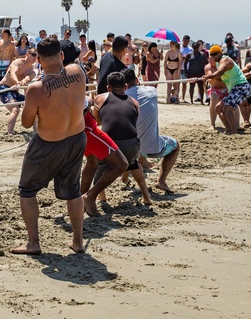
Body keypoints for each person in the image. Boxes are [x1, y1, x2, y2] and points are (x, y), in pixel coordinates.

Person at [11, 38, 88, 255]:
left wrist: (30, 98)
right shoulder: (78, 72)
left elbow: (26, 123)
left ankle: (33, 243)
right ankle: (78, 241)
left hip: (48, 144)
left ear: (39, 61)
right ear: (62, 56)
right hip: (76, 138)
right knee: (73, 190)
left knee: (27, 190)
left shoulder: (36, 89)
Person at [93, 72, 150, 206]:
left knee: (98, 165)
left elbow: (98, 121)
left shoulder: (100, 99)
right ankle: (146, 196)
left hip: (111, 146)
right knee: (133, 164)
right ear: (125, 86)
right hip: (132, 144)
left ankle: (101, 196)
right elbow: (130, 122)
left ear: (108, 88)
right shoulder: (135, 103)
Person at [123, 68, 181, 194]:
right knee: (175, 145)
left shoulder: (120, 99)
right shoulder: (152, 91)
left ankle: (125, 177)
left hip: (128, 149)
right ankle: (161, 181)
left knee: (133, 141)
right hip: (153, 147)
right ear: (137, 80)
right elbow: (148, 90)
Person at [204, 45, 251, 135]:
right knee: (218, 108)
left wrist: (209, 76)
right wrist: (208, 78)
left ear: (220, 53)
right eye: (211, 55)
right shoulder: (218, 63)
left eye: (214, 54)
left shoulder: (225, 60)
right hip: (234, 88)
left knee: (227, 109)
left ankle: (233, 130)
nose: (213, 56)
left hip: (241, 86)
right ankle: (228, 128)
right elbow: (220, 78)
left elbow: (220, 72)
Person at [0, 48, 37, 134]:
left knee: (34, 108)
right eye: (34, 55)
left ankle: (36, 133)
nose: (35, 57)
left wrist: (24, 82)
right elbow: (13, 74)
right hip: (4, 89)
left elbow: (27, 78)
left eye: (37, 56)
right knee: (15, 110)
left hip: (15, 92)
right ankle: (10, 133)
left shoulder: (33, 72)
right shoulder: (18, 62)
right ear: (27, 54)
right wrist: (17, 82)